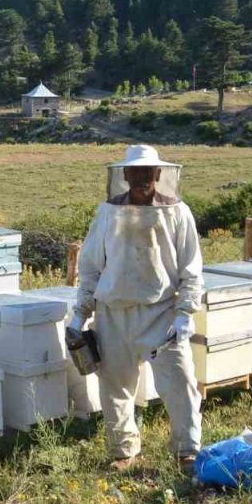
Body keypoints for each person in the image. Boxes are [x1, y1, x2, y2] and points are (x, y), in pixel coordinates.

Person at [69, 144, 203, 471]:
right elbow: (90, 266)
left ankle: (187, 451)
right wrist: (80, 313)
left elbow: (191, 268)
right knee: (115, 386)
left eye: (148, 172)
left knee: (181, 383)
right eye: (136, 172)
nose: (142, 178)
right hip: (113, 313)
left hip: (162, 313)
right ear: (125, 175)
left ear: (158, 174)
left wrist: (185, 313)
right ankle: (124, 452)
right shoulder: (107, 212)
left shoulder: (178, 212)